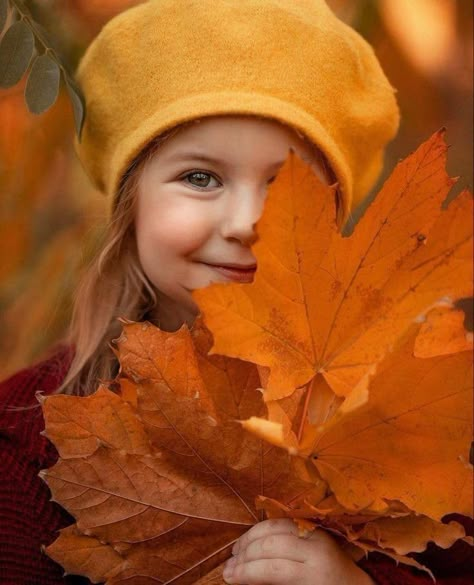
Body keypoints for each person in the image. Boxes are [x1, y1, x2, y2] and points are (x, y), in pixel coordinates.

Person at [0, 1, 471, 584]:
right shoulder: (26, 441)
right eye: (201, 177)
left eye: (285, 184)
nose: (246, 221)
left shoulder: (415, 418)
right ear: (131, 205)